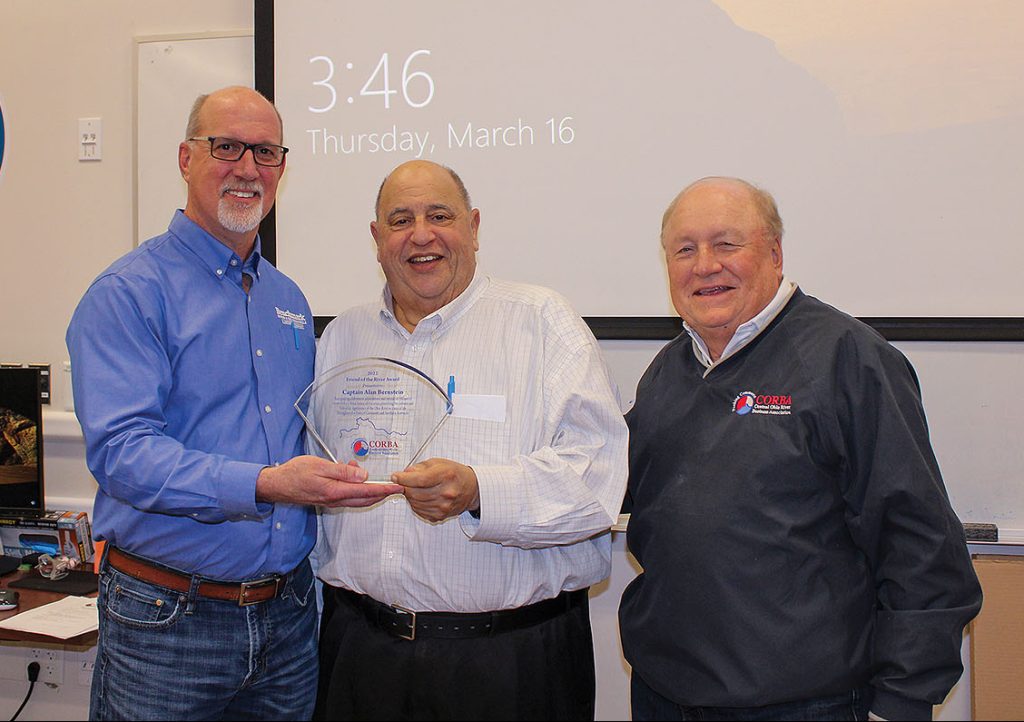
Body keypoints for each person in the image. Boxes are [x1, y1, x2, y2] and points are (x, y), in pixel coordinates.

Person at [66, 86, 399, 721]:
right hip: (168, 625)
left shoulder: (289, 300)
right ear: (186, 158)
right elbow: (124, 455)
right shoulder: (128, 294)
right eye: (228, 147)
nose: (248, 168)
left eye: (267, 152)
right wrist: (268, 484)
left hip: (289, 618)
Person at [619, 177, 983, 722]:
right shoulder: (669, 370)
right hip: (666, 693)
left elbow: (918, 539)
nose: (705, 265)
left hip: (809, 704)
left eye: (726, 244)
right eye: (684, 250)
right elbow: (614, 487)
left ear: (774, 252)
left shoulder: (850, 360)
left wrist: (905, 698)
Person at [312, 160, 629, 721]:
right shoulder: (342, 337)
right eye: (400, 219)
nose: (421, 235)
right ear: (376, 239)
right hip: (360, 655)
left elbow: (597, 481)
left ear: (475, 227)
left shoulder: (541, 322)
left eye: (440, 215)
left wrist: (480, 491)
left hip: (509, 665)